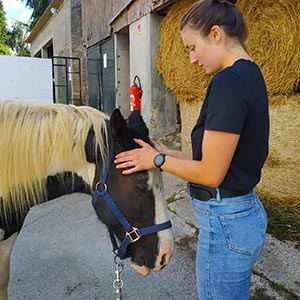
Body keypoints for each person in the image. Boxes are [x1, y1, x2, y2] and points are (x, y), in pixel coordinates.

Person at [114, 0, 269, 299]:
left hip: (226, 223)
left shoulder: (229, 82)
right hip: (240, 216)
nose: (192, 59)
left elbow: (210, 173)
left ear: (215, 34)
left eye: (191, 47)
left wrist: (157, 160)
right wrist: (165, 152)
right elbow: (210, 158)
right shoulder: (250, 74)